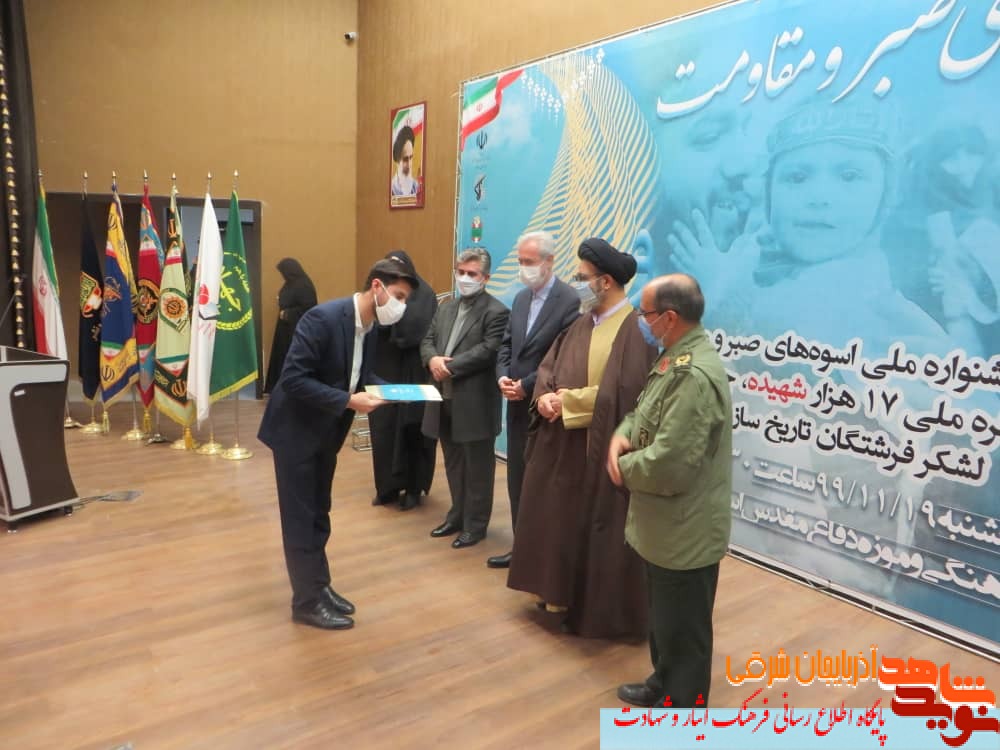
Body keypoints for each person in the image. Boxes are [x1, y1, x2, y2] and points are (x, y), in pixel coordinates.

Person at [507, 238, 656, 639]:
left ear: (605, 282)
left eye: (582, 276)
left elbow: (625, 392)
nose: (577, 282)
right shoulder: (581, 322)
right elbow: (549, 366)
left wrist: (566, 401)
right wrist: (543, 396)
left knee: (587, 527)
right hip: (559, 443)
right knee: (554, 520)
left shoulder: (634, 330)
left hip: (596, 447)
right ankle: (553, 594)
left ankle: (583, 604)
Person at [257, 258, 417, 630]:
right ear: (376, 287)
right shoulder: (322, 319)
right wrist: (348, 401)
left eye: (405, 300)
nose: (401, 306)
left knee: (319, 512)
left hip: (326, 432)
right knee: (301, 518)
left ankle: (318, 586)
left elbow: (359, 374)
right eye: (398, 296)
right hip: (296, 432)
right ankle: (305, 603)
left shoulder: (370, 327)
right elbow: (293, 379)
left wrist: (393, 391)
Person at [608, 273, 732, 709]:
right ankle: (663, 682)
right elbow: (645, 413)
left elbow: (670, 464)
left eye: (644, 314)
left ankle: (684, 708)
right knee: (665, 620)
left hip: (686, 529)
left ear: (670, 318)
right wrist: (622, 434)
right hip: (665, 526)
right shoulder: (674, 357)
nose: (641, 322)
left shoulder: (693, 374)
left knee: (685, 629)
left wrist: (621, 467)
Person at [487, 231, 579, 569]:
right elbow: (507, 344)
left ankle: (542, 558)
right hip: (514, 404)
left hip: (544, 406)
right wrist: (503, 377)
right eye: (520, 261)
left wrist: (526, 385)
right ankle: (521, 550)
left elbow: (562, 356)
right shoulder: (521, 298)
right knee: (517, 480)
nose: (523, 268)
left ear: (549, 261)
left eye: (530, 262)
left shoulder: (569, 301)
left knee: (541, 484)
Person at [421, 248, 509, 549]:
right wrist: (432, 360)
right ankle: (456, 515)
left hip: (475, 404)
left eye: (472, 274)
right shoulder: (446, 307)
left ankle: (475, 525)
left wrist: (449, 366)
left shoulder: (497, 311)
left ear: (486, 277)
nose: (465, 278)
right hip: (444, 399)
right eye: (461, 272)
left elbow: (488, 350)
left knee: (478, 469)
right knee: (454, 463)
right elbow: (428, 340)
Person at [369, 250, 438, 510]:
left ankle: (413, 488)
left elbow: (422, 331)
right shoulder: (379, 292)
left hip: (414, 370)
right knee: (383, 430)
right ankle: (386, 488)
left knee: (413, 431)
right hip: (383, 367)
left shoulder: (425, 294)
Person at [263, 258, 317, 394]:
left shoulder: (304, 285)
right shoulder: (290, 284)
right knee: (281, 357)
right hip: (284, 329)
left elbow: (309, 308)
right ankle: (278, 388)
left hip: (297, 331)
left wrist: (288, 313)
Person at [391, 125, 419, 197]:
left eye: (411, 157)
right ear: (397, 159)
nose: (409, 165)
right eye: (405, 159)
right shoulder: (390, 189)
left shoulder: (417, 188)